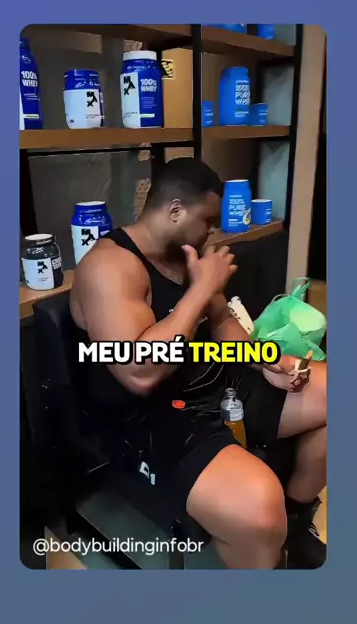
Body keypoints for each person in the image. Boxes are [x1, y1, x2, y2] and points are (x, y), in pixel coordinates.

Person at [70, 158, 327, 569]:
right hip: (151, 416)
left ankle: (295, 523)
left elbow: (222, 323)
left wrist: (269, 362)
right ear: (175, 210)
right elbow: (139, 372)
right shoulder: (109, 267)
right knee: (260, 509)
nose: (212, 232)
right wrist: (202, 287)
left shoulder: (186, 253)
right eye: (207, 221)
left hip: (214, 381)